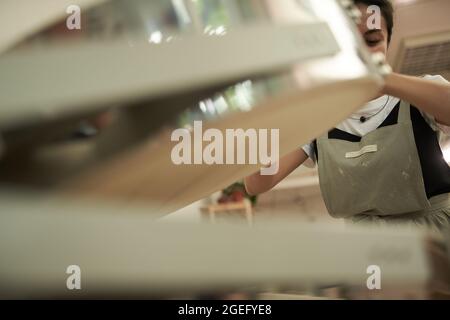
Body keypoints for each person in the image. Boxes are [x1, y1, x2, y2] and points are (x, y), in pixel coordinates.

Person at [244, 0, 450, 231]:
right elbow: (257, 182)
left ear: (388, 41)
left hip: (436, 238)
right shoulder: (317, 119)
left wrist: (380, 78)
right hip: (368, 250)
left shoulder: (420, 93)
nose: (359, 52)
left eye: (371, 41)